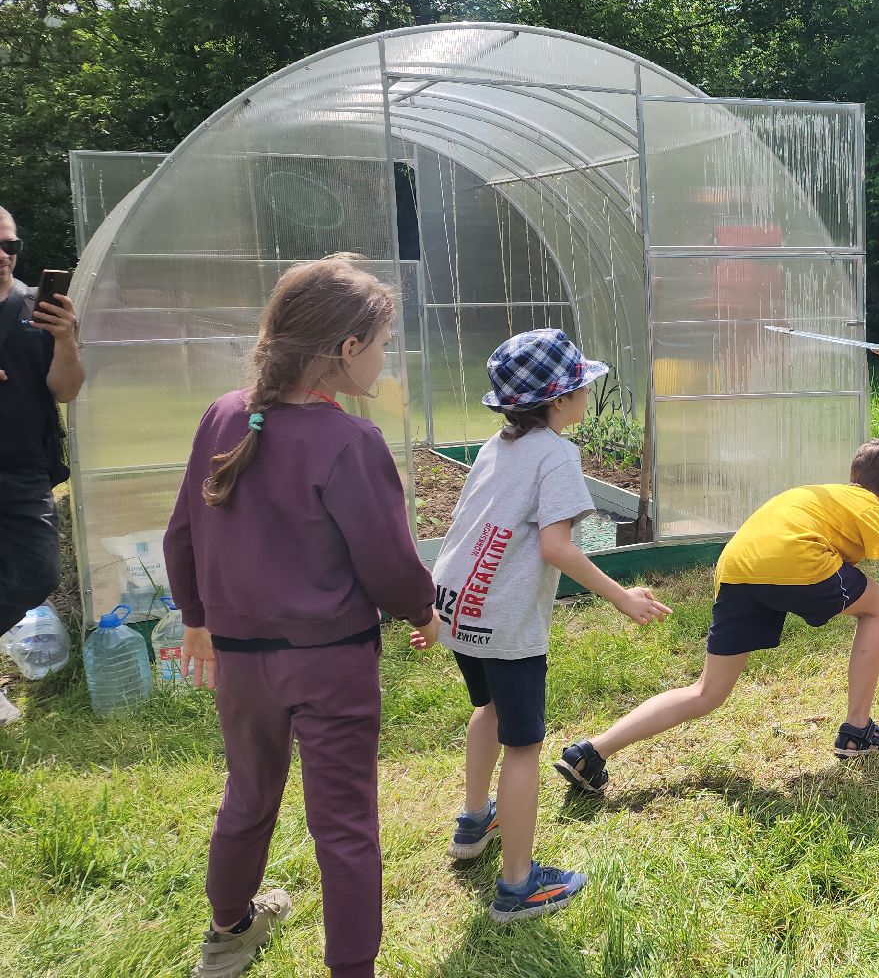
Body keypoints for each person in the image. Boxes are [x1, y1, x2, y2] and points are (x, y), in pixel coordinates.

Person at [162, 256, 437, 978]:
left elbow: (182, 532)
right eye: (381, 343)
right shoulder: (350, 442)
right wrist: (423, 609)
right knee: (344, 825)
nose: (385, 357)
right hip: (330, 662)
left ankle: (227, 934)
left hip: (241, 661)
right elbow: (388, 561)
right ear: (347, 350)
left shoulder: (224, 414)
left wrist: (195, 615)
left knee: (248, 793)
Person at [553, 438, 879, 791]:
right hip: (795, 561)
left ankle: (591, 751)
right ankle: (857, 730)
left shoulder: (823, 497)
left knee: (707, 691)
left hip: (737, 567)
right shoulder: (874, 508)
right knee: (877, 605)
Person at [422, 328, 671, 922]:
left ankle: (474, 819)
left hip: (458, 605)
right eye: (582, 384)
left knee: (486, 709)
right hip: (505, 621)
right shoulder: (557, 454)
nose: (589, 393)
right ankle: (518, 885)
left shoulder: (495, 446)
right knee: (525, 746)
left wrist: (433, 610)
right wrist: (619, 596)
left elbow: (464, 528)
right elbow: (558, 547)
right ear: (558, 401)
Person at [0, 204, 83, 639]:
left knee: (37, 575)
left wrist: (66, 339)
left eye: (9, 244)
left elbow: (66, 391)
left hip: (25, 467)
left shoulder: (36, 307)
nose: (2, 254)